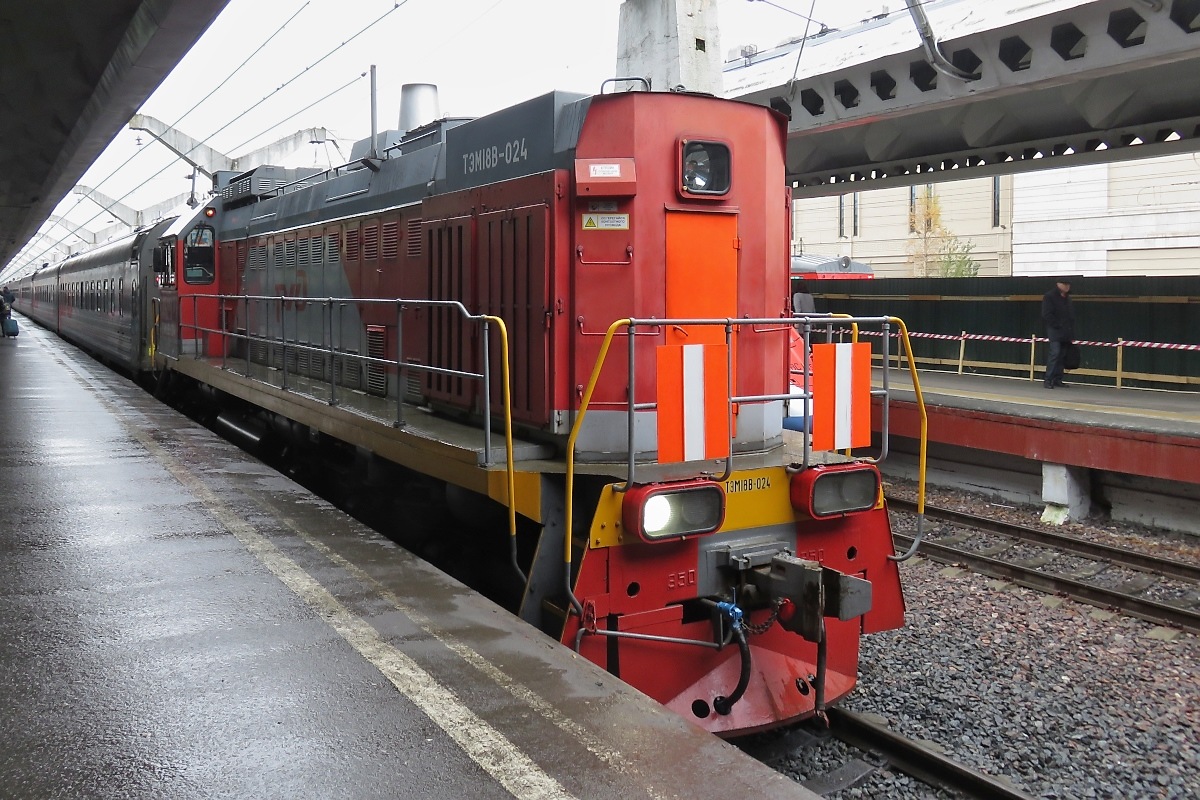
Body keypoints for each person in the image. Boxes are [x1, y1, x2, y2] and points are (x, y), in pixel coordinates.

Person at [1041, 277, 1075, 389]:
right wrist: (1057, 325)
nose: (1067, 286)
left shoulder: (1067, 298)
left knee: (1062, 355)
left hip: (1066, 331)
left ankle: (1057, 379)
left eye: (1068, 284)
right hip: (1055, 330)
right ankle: (1048, 379)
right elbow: (1047, 314)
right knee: (1055, 353)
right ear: (1058, 284)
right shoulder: (1050, 296)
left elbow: (1070, 315)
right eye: (1064, 284)